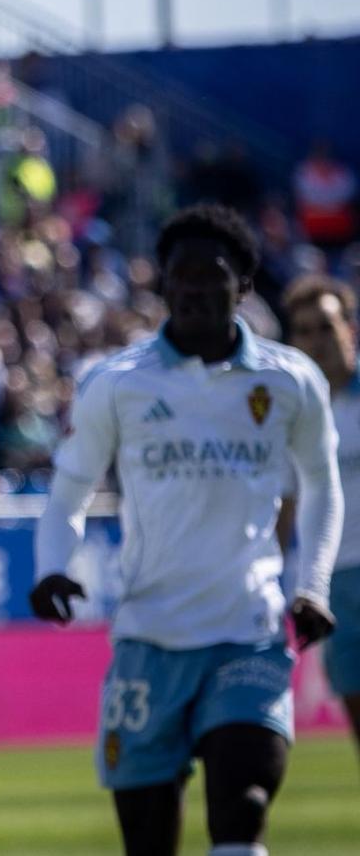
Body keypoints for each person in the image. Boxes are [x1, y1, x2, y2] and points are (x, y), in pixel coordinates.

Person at [32, 205, 341, 856]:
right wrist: (52, 566)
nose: (197, 289)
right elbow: (69, 487)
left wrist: (310, 585)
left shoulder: (289, 381)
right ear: (163, 287)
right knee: (149, 840)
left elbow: (320, 485)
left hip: (248, 634)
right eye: (183, 277)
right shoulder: (117, 383)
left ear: (245, 286)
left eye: (214, 275)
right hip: (151, 639)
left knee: (244, 806)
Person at [280, 275, 360, 764]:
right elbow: (284, 511)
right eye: (305, 331)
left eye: (326, 327)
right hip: (334, 588)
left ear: (349, 329)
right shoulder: (294, 416)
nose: (317, 340)